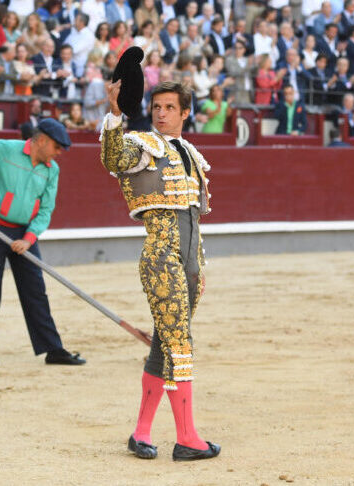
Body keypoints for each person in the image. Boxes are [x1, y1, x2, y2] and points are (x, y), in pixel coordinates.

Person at [100, 79, 220, 462]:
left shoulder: (192, 154)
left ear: (186, 112)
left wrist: (197, 266)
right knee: (179, 345)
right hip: (161, 258)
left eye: (170, 108)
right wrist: (117, 114)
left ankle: (141, 433)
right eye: (156, 108)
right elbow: (114, 158)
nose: (162, 114)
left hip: (191, 262)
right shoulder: (142, 146)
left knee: (163, 346)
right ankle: (187, 438)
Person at [0, 118, 85, 368]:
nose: (59, 153)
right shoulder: (4, 150)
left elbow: (45, 210)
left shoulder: (51, 169)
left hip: (24, 232)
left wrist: (28, 239)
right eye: (56, 147)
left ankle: (53, 350)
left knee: (35, 290)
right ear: (41, 140)